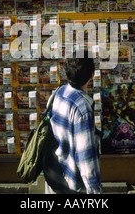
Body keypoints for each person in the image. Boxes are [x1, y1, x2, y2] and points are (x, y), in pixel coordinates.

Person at [43, 51, 101, 194]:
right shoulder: (82, 108)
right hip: (71, 184)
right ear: (92, 75)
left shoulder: (59, 92)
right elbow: (85, 155)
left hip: (53, 173)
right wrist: (94, 191)